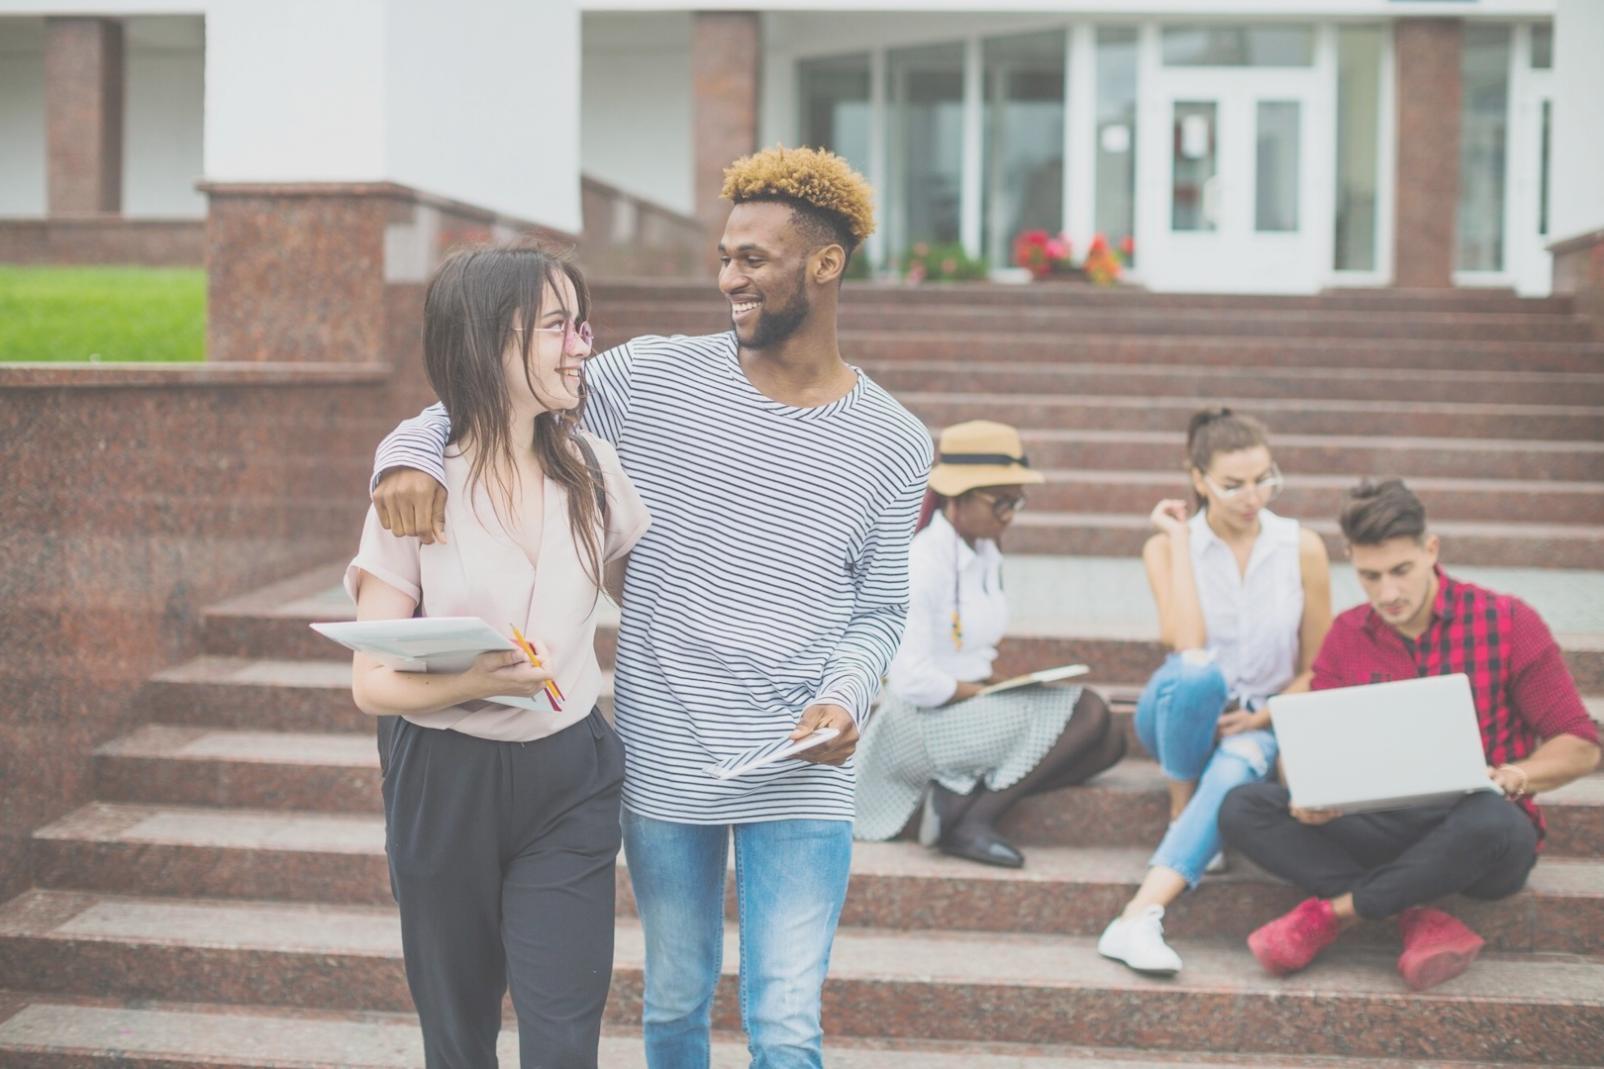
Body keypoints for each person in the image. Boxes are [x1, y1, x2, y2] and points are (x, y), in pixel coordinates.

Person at [367, 147, 932, 1069]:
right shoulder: (653, 378)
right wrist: (407, 450)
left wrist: (848, 692)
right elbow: (502, 400)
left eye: (752, 259)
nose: (727, 279)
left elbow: (878, 607)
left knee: (787, 1023)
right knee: (674, 1002)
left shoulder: (896, 439)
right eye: (723, 256)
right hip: (670, 748)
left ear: (825, 265)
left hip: (803, 757)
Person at [346, 246, 651, 1067]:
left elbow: (646, 596)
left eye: (580, 322)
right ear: (487, 341)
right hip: (443, 780)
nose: (582, 344)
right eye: (558, 325)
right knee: (459, 1036)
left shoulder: (595, 473)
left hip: (570, 775)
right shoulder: (415, 487)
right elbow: (371, 683)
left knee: (563, 1040)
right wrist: (477, 678)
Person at [1220, 478, 1601, 992]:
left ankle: (1334, 914)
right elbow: (1306, 750)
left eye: (1401, 571)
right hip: (1381, 825)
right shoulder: (1347, 636)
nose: (1388, 593)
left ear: (1431, 549)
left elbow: (1579, 743)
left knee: (1491, 817)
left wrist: (1513, 776)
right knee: (1243, 806)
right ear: (1352, 560)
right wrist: (1308, 791)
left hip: (1481, 835)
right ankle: (1413, 915)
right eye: (1369, 576)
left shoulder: (1508, 621)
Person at [1097, 408, 1332, 976]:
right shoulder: (1166, 547)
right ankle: (1182, 802)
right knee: (1201, 670)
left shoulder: (1301, 547)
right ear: (1198, 478)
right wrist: (1181, 540)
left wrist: (1263, 719)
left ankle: (1137, 917)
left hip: (1259, 720)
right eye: (1233, 485)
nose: (1253, 496)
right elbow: (1187, 642)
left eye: (1264, 479)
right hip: (1179, 712)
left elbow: (1319, 669)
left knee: (1237, 765)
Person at [854, 419, 1125, 867]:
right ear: (958, 498)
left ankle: (956, 799)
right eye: (1001, 502)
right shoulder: (922, 564)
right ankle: (971, 821)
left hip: (966, 704)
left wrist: (1004, 686)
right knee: (1088, 711)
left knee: (1109, 742)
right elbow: (912, 680)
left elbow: (971, 651)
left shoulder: (983, 551)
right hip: (921, 721)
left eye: (1017, 501)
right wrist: (984, 694)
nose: (1011, 514)